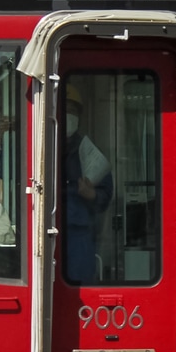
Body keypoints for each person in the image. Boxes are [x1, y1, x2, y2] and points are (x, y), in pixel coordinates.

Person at [62, 86, 113, 284]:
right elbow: (11, 175)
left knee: (78, 289)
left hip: (79, 235)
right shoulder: (39, 145)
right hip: (42, 232)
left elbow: (106, 194)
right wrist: (0, 142)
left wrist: (92, 195)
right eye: (64, 110)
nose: (69, 115)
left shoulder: (88, 150)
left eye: (73, 111)